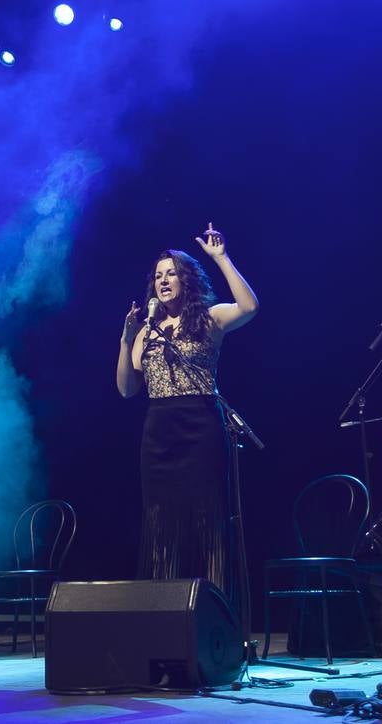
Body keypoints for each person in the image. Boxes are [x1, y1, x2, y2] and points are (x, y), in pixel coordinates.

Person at [116, 223, 259, 633]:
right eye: (157, 276)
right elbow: (127, 388)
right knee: (161, 530)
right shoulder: (146, 328)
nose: (162, 281)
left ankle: (217, 628)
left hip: (200, 427)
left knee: (207, 526)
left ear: (187, 280)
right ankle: (164, 628)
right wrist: (127, 339)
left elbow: (249, 307)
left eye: (170, 274)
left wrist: (221, 258)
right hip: (158, 432)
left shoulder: (211, 319)